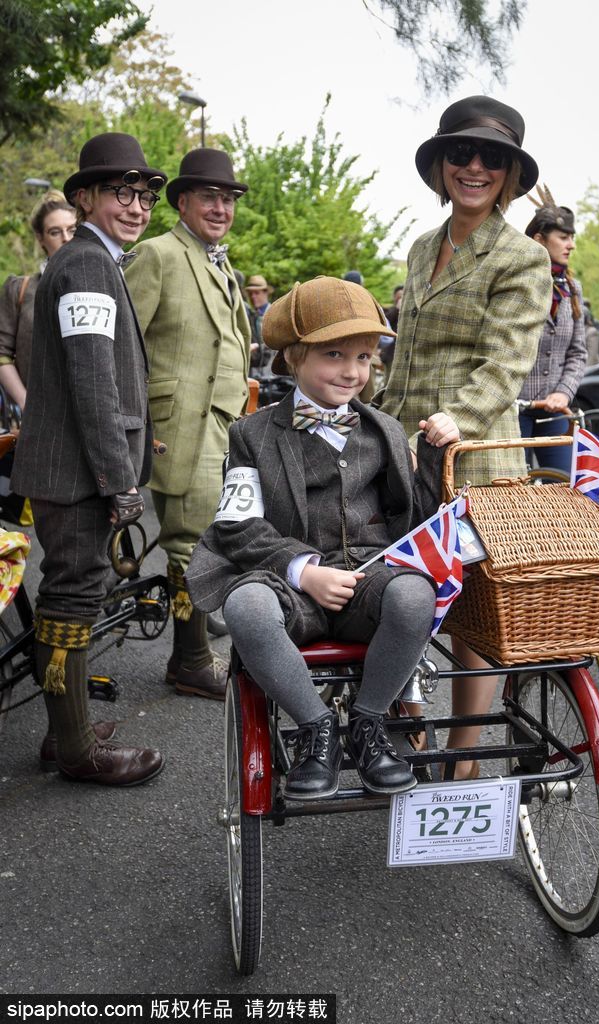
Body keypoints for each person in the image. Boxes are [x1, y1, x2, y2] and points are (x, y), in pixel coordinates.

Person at [185, 276, 460, 800]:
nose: (353, 371)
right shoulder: (253, 434)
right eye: (334, 355)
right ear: (293, 356)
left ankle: (369, 722)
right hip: (293, 588)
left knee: (415, 593)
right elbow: (236, 525)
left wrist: (433, 454)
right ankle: (316, 728)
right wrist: (303, 569)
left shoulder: (383, 428)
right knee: (244, 607)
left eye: (364, 356)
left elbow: (418, 523)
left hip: (367, 581)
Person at [377, 95, 551, 778]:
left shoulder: (521, 256)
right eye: (461, 153)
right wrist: (365, 420)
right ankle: (408, 716)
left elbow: (508, 361)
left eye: (492, 158)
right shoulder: (423, 246)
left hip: (472, 452)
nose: (473, 167)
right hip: (401, 445)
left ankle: (465, 755)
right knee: (402, 590)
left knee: (472, 601)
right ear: (441, 163)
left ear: (509, 174)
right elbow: (404, 354)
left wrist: (462, 415)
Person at [11, 132, 166, 784]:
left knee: (69, 597)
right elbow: (92, 380)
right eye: (119, 193)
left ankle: (63, 732)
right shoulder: (87, 265)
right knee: (71, 601)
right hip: (78, 472)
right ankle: (76, 749)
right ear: (85, 198)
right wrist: (117, 479)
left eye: (142, 195)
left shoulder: (86, 261)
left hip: (68, 467)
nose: (135, 206)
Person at [125, 148, 252, 701]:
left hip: (221, 424)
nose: (221, 208)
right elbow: (123, 347)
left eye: (227, 199)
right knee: (189, 542)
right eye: (210, 197)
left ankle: (189, 656)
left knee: (213, 537)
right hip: (177, 426)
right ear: (182, 201)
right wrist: (136, 425)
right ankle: (194, 660)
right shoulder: (156, 254)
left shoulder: (219, 261)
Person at [518, 192, 587, 474]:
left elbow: (578, 352)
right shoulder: (517, 283)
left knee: (563, 488)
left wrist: (563, 393)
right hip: (514, 409)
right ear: (539, 240)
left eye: (572, 237)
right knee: (510, 492)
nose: (571, 245)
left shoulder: (573, 288)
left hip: (555, 412)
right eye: (563, 237)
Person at [0, 190, 76, 411]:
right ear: (41, 238)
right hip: (40, 416)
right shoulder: (21, 290)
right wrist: (26, 401)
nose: (66, 238)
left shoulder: (104, 283)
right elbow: (1, 353)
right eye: (55, 232)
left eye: (73, 229)